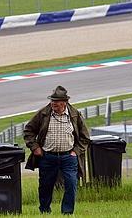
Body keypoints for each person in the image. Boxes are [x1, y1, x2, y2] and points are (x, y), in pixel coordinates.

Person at [23, 86, 90, 215]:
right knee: (45, 186)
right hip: (47, 157)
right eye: (52, 101)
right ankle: (44, 210)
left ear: (64, 102)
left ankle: (67, 212)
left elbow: (85, 137)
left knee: (71, 184)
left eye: (56, 102)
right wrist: (35, 147)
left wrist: (75, 151)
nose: (53, 104)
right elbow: (28, 131)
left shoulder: (75, 114)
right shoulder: (43, 114)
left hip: (69, 157)